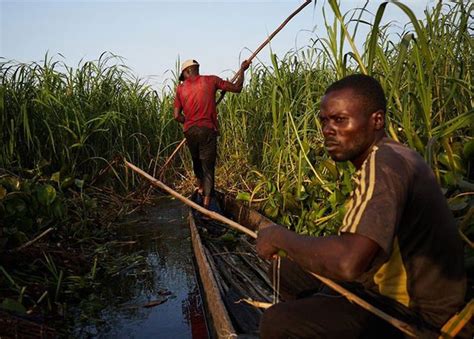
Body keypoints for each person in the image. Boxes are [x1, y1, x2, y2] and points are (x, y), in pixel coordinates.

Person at [256, 74, 466, 338]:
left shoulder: (385, 165)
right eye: (324, 120)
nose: (328, 130)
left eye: (340, 120)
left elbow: (348, 263)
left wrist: (278, 236)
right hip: (382, 285)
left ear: (376, 120)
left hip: (416, 317)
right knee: (285, 271)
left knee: (276, 323)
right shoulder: (392, 155)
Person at [174, 59, 250, 209]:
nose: (184, 80)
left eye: (183, 76)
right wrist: (242, 69)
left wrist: (189, 121)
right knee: (208, 167)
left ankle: (200, 188)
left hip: (190, 131)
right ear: (196, 69)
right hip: (207, 129)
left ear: (187, 71)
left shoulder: (180, 89)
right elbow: (237, 88)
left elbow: (176, 116)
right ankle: (207, 204)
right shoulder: (211, 81)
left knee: (196, 161)